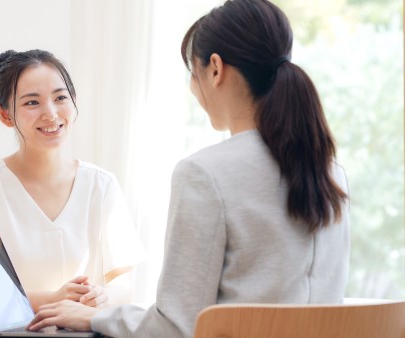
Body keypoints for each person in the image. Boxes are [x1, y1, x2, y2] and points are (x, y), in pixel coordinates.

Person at [27, 1, 350, 337]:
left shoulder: (204, 174)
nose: (193, 87)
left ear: (215, 69)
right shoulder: (331, 172)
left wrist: (93, 318)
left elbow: (174, 327)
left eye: (191, 73)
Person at [0, 49, 145, 312]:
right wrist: (54, 299)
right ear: (5, 114)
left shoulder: (101, 185)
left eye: (61, 97)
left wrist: (102, 297)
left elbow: (124, 281)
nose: (51, 113)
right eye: (32, 102)